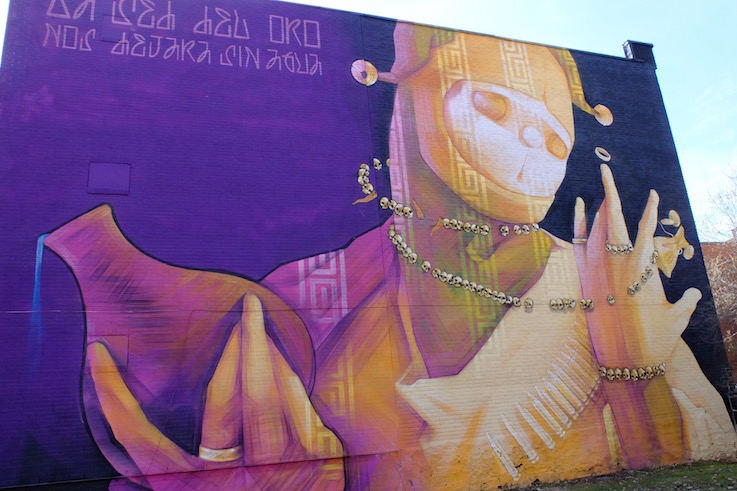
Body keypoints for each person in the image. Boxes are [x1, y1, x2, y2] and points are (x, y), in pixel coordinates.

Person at [44, 23, 736, 490]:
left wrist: (631, 368)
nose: (530, 146)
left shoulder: (605, 284)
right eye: (495, 106)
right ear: (409, 87)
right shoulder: (307, 299)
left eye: (556, 140)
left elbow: (697, 451)